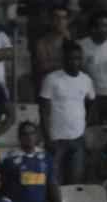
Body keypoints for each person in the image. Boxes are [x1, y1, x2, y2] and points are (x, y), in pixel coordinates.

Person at [38, 41, 95, 185]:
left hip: (78, 139)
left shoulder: (86, 80)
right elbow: (43, 111)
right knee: (54, 182)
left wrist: (85, 124)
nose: (75, 62)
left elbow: (91, 102)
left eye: (77, 58)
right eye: (71, 58)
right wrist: (47, 138)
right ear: (64, 60)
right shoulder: (51, 79)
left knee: (75, 182)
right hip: (56, 139)